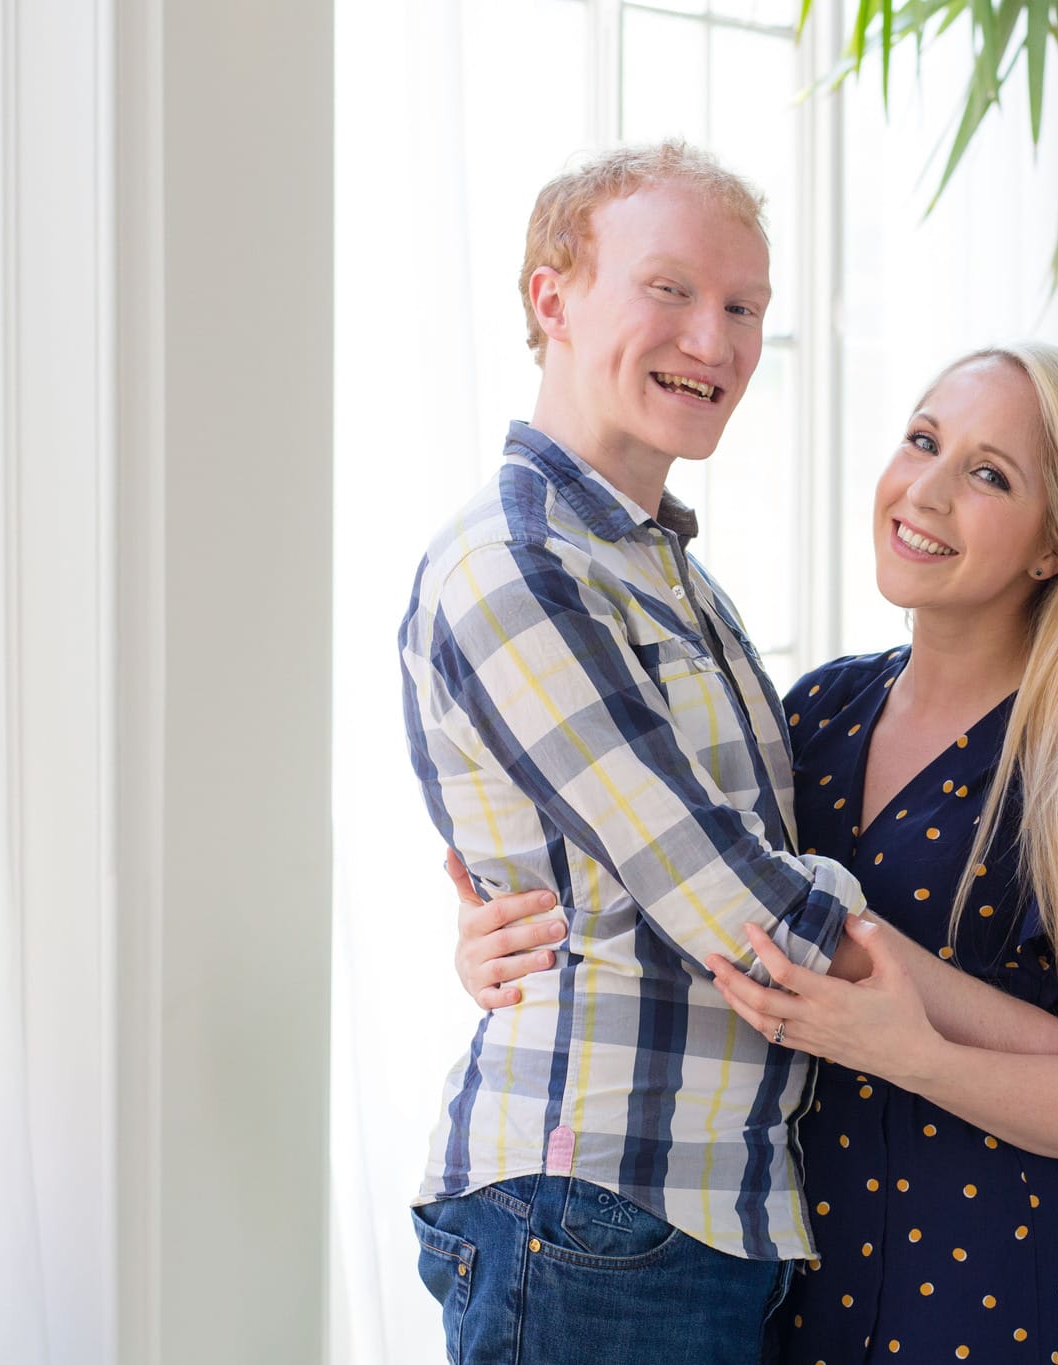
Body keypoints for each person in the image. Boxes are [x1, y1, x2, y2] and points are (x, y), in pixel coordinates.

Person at [454, 341, 1058, 1363]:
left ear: (1056, 545)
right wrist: (505, 939)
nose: (926, 489)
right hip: (765, 1282)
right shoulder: (816, 710)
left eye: (988, 474)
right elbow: (681, 890)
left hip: (979, 1302)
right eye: (922, 441)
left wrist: (911, 1051)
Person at [401, 140, 886, 1365]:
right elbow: (722, 894)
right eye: (669, 289)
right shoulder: (516, 563)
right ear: (551, 297)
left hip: (698, 1210)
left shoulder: (668, 575)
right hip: (597, 1205)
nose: (714, 342)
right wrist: (1015, 1026)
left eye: (743, 308)